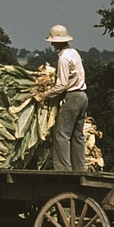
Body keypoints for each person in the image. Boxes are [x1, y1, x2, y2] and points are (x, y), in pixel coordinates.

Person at [36, 24, 88, 171]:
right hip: (83, 96)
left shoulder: (63, 59)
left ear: (59, 41)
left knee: (61, 134)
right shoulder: (74, 53)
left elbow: (62, 85)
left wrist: (44, 95)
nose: (52, 44)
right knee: (78, 135)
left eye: (53, 41)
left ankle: (63, 170)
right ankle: (80, 169)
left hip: (72, 97)